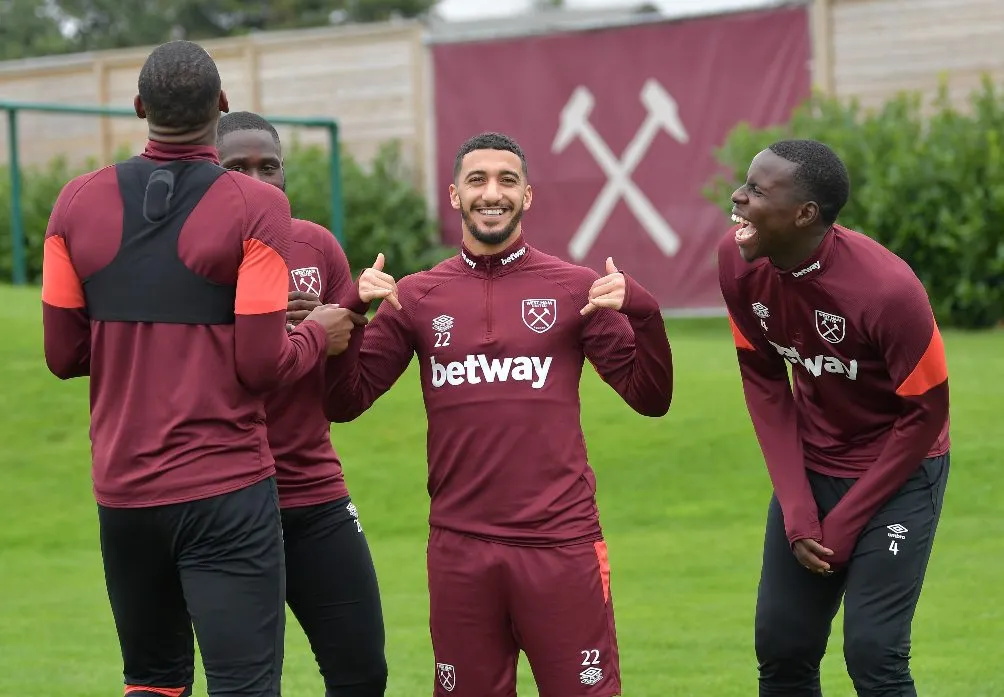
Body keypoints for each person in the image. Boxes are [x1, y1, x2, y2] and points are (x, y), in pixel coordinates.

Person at [40, 41, 365, 697]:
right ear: (220, 109)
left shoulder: (74, 204)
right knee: (243, 685)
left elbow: (64, 354)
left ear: (139, 108)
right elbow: (260, 364)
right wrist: (315, 334)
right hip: (225, 491)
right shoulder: (258, 206)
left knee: (154, 682)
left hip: (125, 493)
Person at [322, 131, 674, 697]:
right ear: (455, 196)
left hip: (561, 545)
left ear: (527, 196)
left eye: (507, 180)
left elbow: (651, 398)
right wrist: (353, 315)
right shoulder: (414, 297)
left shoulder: (575, 289)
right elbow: (344, 403)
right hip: (461, 551)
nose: (492, 193)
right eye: (477, 180)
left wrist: (645, 312)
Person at [718, 139, 950, 696]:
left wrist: (845, 524)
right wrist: (799, 511)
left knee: (874, 653)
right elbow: (765, 382)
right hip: (815, 463)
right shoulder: (738, 261)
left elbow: (925, 415)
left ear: (805, 215)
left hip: (900, 472)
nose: (738, 197)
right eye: (745, 183)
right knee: (783, 645)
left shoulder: (888, 291)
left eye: (756, 191)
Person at [216, 110, 388, 697]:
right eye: (238, 168)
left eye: (270, 166)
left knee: (363, 671)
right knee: (248, 685)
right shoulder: (194, 255)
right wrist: (275, 329)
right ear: (211, 173)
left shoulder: (316, 246)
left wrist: (349, 323)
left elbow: (341, 399)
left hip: (314, 493)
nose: (258, 180)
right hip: (230, 503)